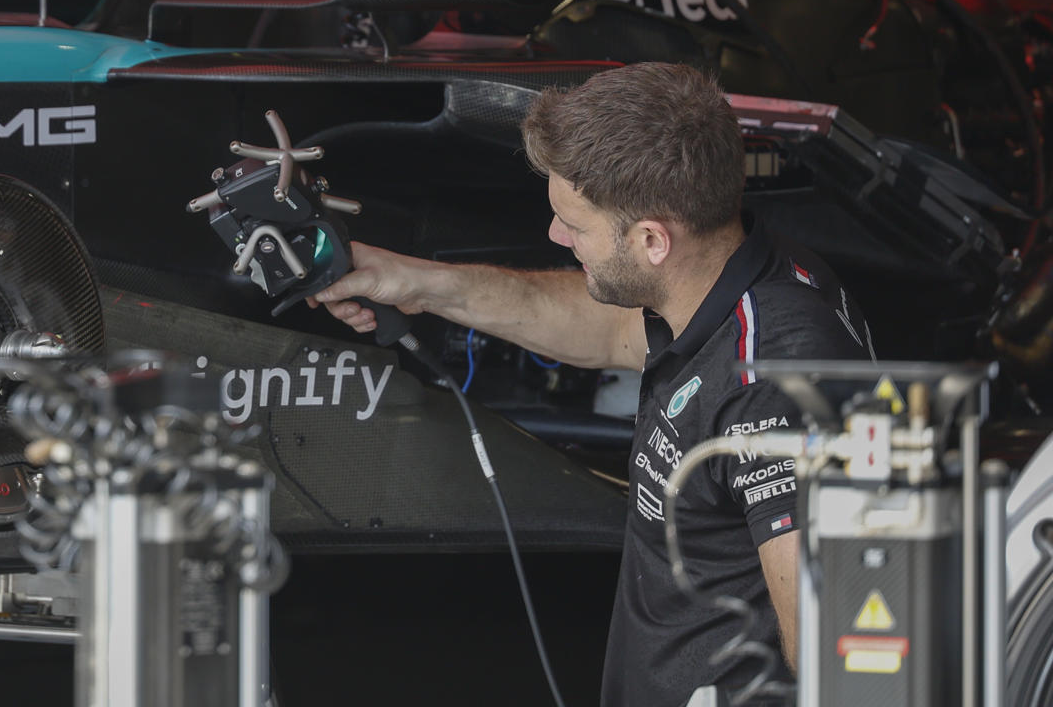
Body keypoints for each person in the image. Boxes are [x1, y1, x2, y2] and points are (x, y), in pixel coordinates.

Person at [308, 61, 873, 707]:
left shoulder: (774, 380)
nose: (555, 235)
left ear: (652, 240)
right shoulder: (725, 279)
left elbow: (840, 662)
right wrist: (411, 283)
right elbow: (604, 330)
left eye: (574, 226)